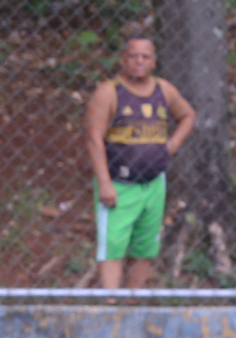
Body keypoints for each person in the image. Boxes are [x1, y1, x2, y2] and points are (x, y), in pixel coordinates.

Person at [83, 35, 196, 289]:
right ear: (123, 59)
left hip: (154, 183)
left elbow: (187, 115)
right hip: (119, 183)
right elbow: (94, 138)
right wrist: (104, 183)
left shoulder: (164, 90)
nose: (139, 62)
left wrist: (172, 145)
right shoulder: (108, 93)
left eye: (145, 56)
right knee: (112, 248)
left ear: (154, 62)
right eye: (133, 56)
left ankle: (134, 303)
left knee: (145, 249)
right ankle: (111, 303)